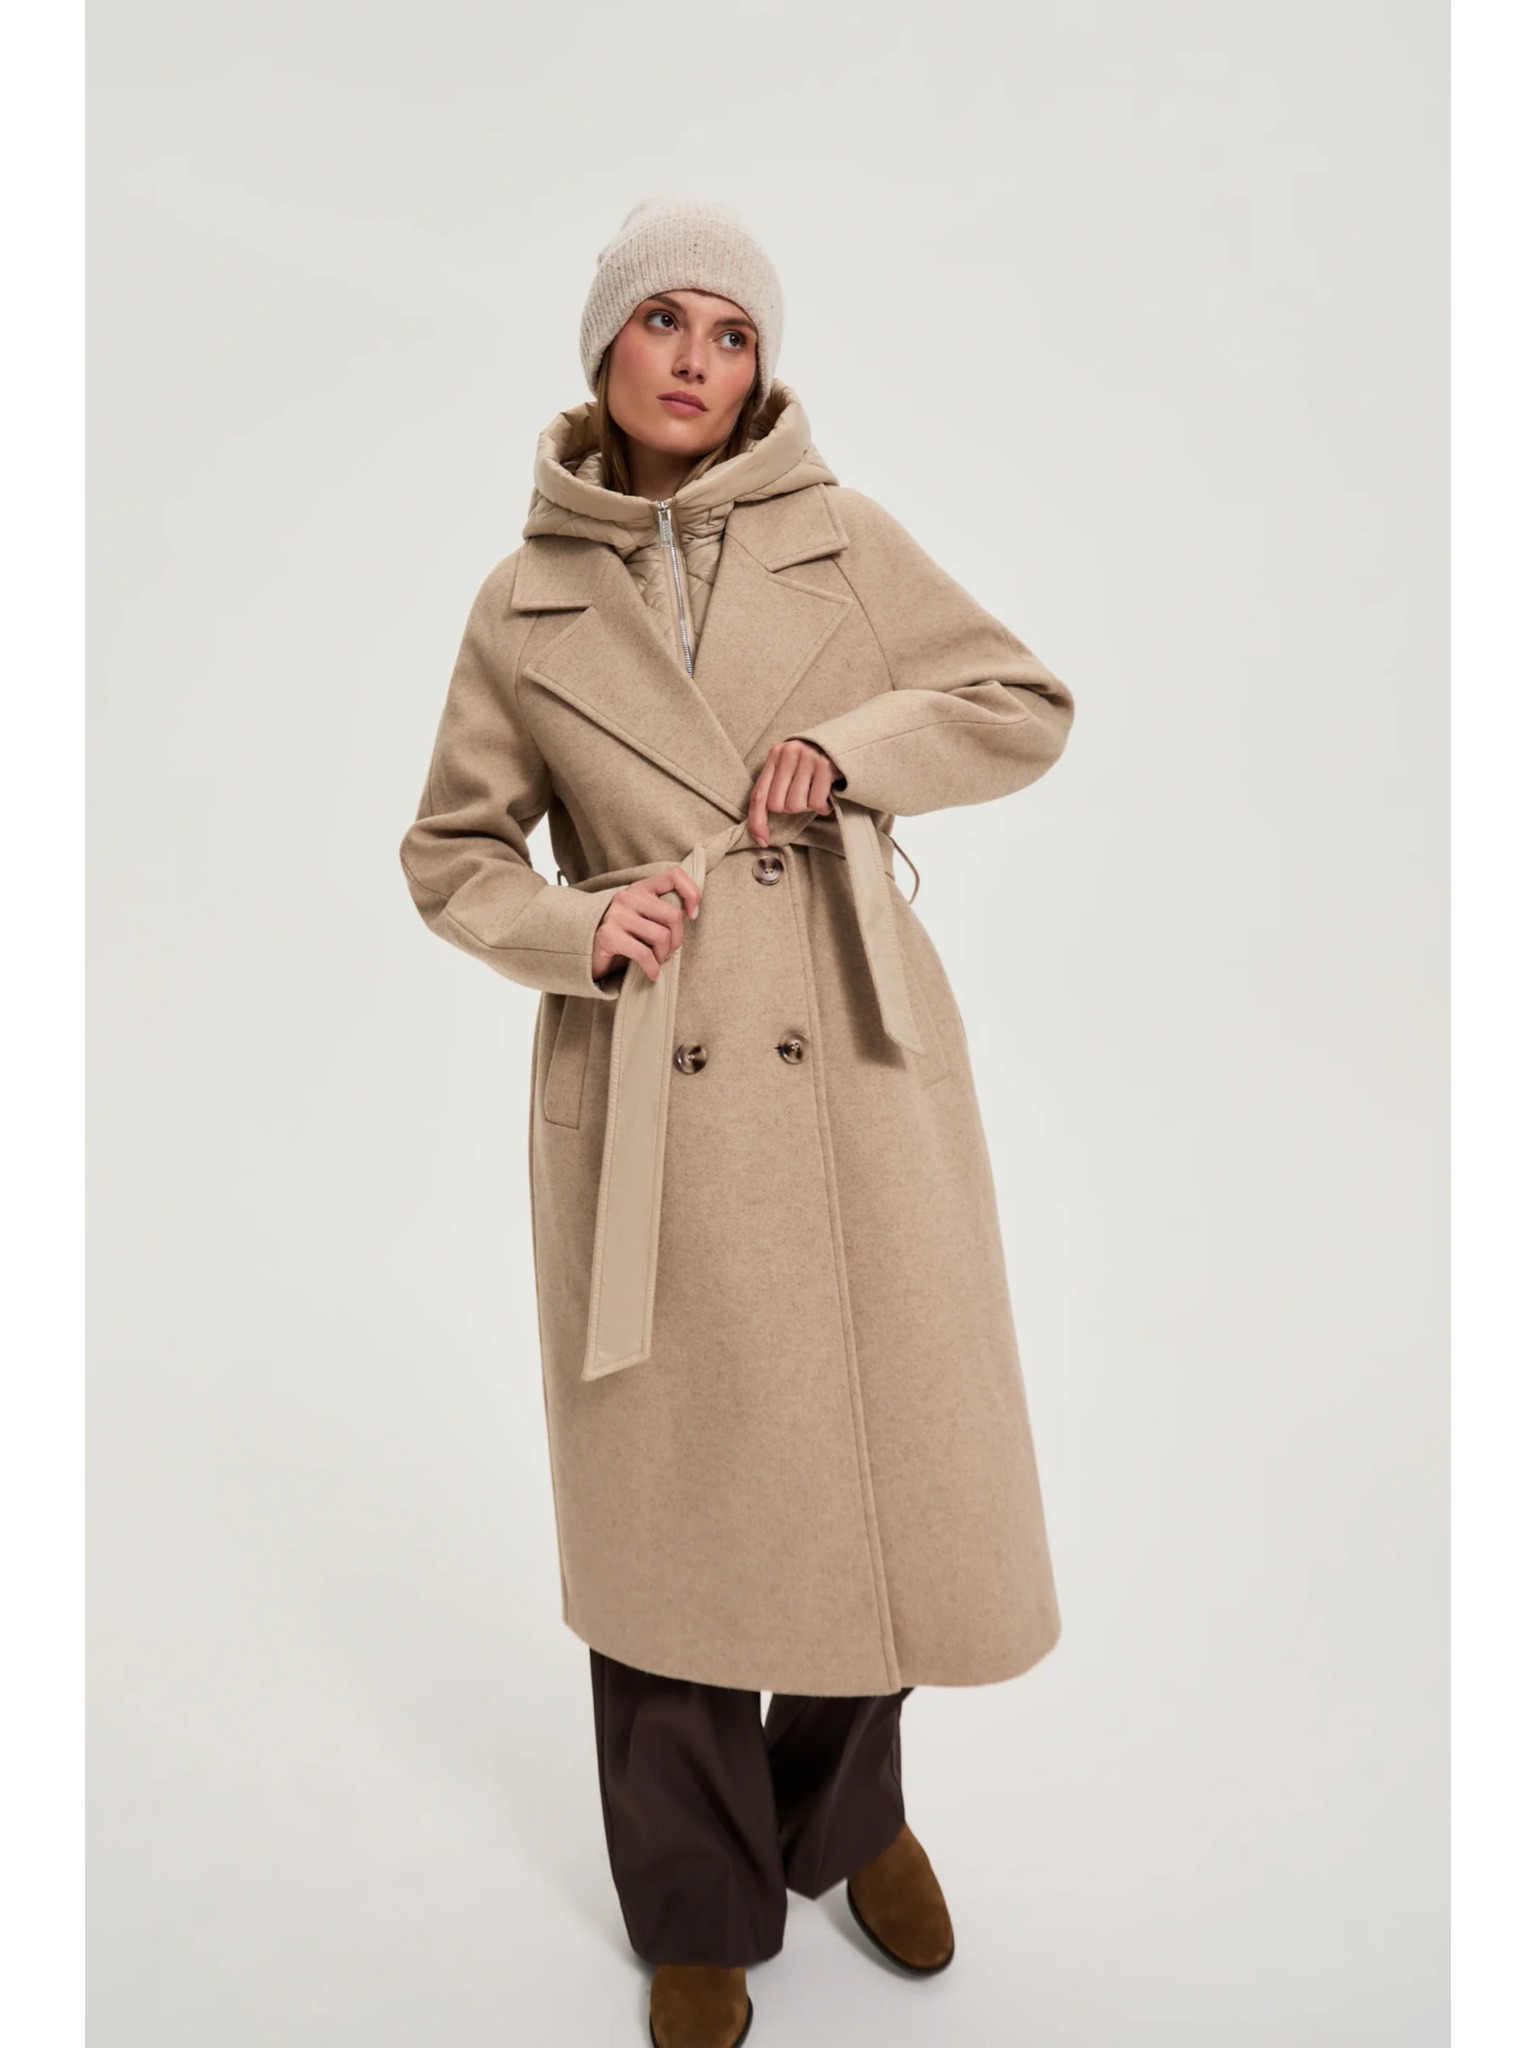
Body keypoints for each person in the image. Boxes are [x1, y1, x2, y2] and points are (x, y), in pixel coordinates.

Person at [399, 194, 1075, 2048]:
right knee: (673, 1501)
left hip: (849, 1056)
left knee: (880, 1463)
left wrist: (854, 749)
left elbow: (1022, 702)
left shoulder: (842, 539)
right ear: (604, 347)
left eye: (733, 332)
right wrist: (576, 927)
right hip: (655, 1077)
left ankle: (844, 1821)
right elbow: (452, 853)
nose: (696, 360)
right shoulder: (524, 601)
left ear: (763, 367)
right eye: (663, 322)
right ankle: (695, 1897)